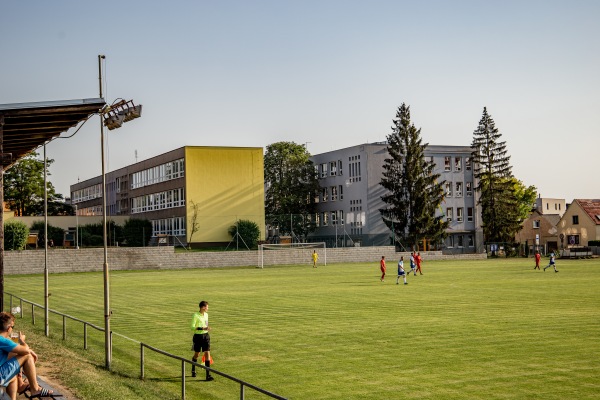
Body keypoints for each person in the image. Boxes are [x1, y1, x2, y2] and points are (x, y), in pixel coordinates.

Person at [0, 312, 57, 399]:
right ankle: (35, 389)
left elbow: (14, 353)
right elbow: (25, 351)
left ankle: (20, 385)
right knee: (27, 356)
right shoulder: (2, 340)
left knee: (13, 374)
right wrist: (22, 341)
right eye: (12, 327)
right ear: (8, 328)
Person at [190, 301, 214, 381]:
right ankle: (193, 370)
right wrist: (202, 328)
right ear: (203, 307)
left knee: (207, 353)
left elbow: (206, 324)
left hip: (206, 336)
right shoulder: (195, 315)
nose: (208, 308)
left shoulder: (206, 315)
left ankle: (208, 375)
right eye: (207, 307)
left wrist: (207, 328)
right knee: (197, 354)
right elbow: (192, 327)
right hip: (198, 337)